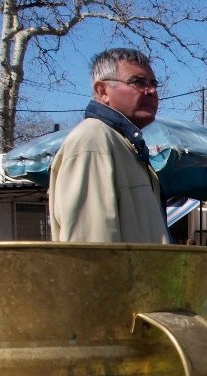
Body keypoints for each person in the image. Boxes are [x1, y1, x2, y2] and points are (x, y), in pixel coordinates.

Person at [49, 48, 169, 243]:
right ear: (102, 91)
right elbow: (91, 250)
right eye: (138, 82)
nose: (151, 91)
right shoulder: (93, 140)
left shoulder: (125, 146)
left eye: (154, 84)